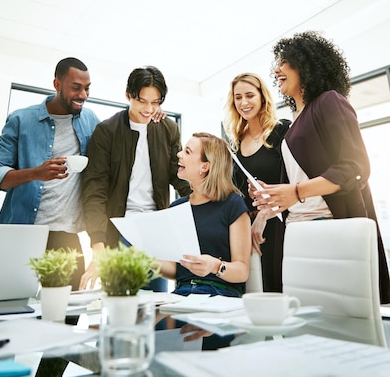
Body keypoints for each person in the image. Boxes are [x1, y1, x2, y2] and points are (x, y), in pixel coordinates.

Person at [252, 30, 390, 303]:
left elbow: (354, 167)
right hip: (297, 233)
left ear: (306, 64)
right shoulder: (294, 124)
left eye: (285, 61)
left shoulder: (329, 101)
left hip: (331, 227)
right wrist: (273, 197)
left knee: (337, 315)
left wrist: (297, 191)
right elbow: (297, 179)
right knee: (305, 318)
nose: (277, 69)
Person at [0, 57, 99, 290]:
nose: (83, 95)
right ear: (57, 85)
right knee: (15, 313)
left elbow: (118, 136)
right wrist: (35, 173)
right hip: (22, 236)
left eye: (87, 88)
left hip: (67, 238)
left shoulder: (90, 120)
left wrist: (154, 115)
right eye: (75, 87)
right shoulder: (21, 120)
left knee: (67, 319)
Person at [80, 66, 191, 291]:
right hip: (120, 229)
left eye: (156, 102)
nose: (149, 109)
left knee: (157, 305)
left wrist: (208, 201)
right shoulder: (107, 132)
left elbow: (179, 177)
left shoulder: (167, 129)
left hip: (156, 231)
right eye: (142, 101)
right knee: (122, 307)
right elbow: (95, 189)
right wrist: (98, 244)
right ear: (128, 95)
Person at [159, 132, 251, 348]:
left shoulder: (233, 205)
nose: (179, 155)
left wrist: (215, 266)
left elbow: (242, 270)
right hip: (181, 297)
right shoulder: (176, 208)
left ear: (205, 167)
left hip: (221, 297)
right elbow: (176, 269)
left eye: (187, 152)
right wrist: (144, 261)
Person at [223, 73, 290, 292]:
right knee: (254, 292)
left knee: (279, 289)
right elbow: (238, 191)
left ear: (262, 97)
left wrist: (265, 212)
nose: (243, 103)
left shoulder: (281, 130)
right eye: (238, 97)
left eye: (250, 95)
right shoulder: (236, 142)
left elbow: (292, 180)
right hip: (250, 230)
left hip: (280, 222)